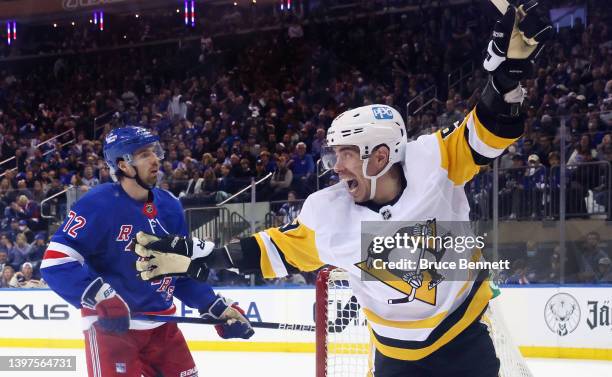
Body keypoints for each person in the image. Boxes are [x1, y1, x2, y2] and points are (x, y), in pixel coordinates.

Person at [133, 6, 551, 377]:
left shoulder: (434, 161)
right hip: (394, 361)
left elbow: (491, 130)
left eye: (347, 154)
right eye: (335, 154)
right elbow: (270, 252)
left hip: (465, 347)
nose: (337, 166)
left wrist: (508, 74)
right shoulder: (328, 212)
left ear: (381, 154)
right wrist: (199, 259)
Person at [40, 126, 253, 377]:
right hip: (113, 329)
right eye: (143, 154)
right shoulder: (97, 204)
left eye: (154, 152)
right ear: (123, 165)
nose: (155, 160)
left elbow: (178, 269)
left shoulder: (170, 206)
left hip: (163, 327)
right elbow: (55, 264)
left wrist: (214, 306)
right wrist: (102, 297)